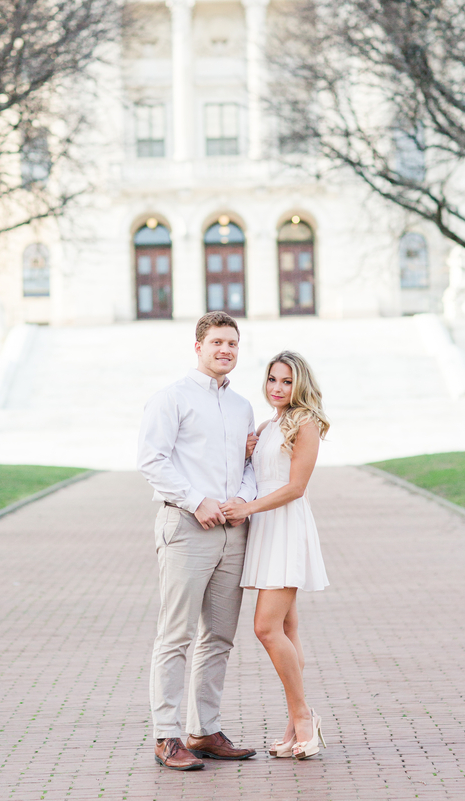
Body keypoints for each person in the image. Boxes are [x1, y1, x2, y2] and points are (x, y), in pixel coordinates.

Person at [137, 311, 258, 771]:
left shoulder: (242, 405)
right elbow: (152, 460)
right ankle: (166, 736)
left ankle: (203, 729)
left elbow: (248, 466)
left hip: (232, 530)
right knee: (176, 635)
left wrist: (242, 500)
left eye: (232, 344)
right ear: (198, 347)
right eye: (217, 343)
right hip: (187, 528)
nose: (225, 350)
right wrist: (196, 500)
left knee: (220, 636)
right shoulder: (171, 398)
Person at [223, 351, 330, 761]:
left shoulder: (305, 423)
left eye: (286, 381)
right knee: (288, 627)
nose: (278, 388)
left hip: (285, 526)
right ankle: (293, 725)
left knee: (266, 629)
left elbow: (295, 487)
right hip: (266, 528)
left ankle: (303, 717)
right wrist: (250, 448)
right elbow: (260, 472)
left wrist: (247, 509)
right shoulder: (270, 425)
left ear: (299, 384)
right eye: (272, 379)